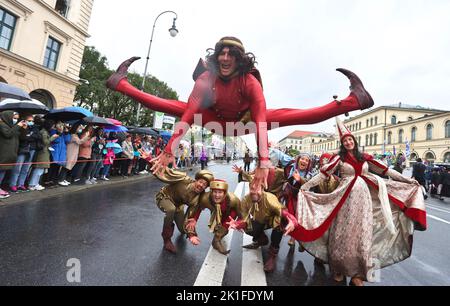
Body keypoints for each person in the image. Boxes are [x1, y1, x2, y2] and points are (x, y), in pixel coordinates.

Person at [106, 36, 374, 193]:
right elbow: (187, 116)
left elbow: (259, 122)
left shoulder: (250, 82)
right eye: (220, 53)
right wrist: (169, 149)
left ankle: (354, 101)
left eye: (230, 54)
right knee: (174, 106)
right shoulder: (205, 79)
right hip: (211, 118)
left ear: (239, 58)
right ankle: (120, 83)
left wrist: (263, 161)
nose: (224, 58)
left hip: (243, 123)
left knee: (291, 115)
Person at [291, 117, 426, 286]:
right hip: (344, 200)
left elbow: (388, 171)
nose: (348, 142)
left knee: (362, 234)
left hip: (364, 200)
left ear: (354, 140)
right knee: (342, 233)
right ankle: (338, 268)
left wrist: (408, 181)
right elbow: (323, 174)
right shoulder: (339, 159)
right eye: (345, 141)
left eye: (350, 139)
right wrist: (306, 187)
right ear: (342, 143)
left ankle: (358, 273)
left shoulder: (365, 158)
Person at [227, 184, 298, 273]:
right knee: (249, 227)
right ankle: (261, 239)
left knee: (279, 222)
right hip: (261, 219)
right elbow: (244, 219)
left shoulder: (269, 198)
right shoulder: (246, 199)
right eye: (252, 189)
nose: (254, 192)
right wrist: (237, 224)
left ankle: (272, 255)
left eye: (257, 189)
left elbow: (283, 212)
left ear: (263, 189)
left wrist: (292, 220)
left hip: (273, 219)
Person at [154, 168, 214, 253]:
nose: (201, 185)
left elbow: (190, 217)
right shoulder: (183, 179)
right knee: (171, 210)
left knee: (183, 230)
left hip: (178, 206)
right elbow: (166, 172)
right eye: (200, 182)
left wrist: (191, 235)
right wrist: (150, 160)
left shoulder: (198, 199)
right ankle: (167, 239)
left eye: (204, 185)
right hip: (164, 197)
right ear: (196, 180)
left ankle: (175, 222)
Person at [184, 179, 241, 255]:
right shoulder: (205, 198)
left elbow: (241, 214)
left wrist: (239, 224)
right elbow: (197, 210)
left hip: (229, 213)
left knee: (225, 225)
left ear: (225, 193)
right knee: (216, 227)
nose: (217, 195)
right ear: (211, 192)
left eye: (220, 192)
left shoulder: (233, 199)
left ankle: (216, 240)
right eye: (215, 192)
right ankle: (217, 231)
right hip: (215, 212)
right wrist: (194, 222)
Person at [0, 111, 27, 198]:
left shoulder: (13, 127)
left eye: (17, 119)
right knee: (1, 170)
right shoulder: (2, 125)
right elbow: (7, 134)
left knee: (3, 171)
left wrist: (23, 129)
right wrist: (18, 126)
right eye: (14, 118)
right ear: (8, 117)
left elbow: (22, 137)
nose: (16, 120)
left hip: (10, 154)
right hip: (3, 153)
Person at [28, 119, 59, 191]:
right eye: (52, 126)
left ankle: (35, 183)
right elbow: (46, 142)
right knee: (38, 169)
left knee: (40, 169)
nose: (53, 128)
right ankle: (32, 184)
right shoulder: (44, 132)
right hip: (42, 153)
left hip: (44, 152)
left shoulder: (44, 131)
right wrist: (52, 138)